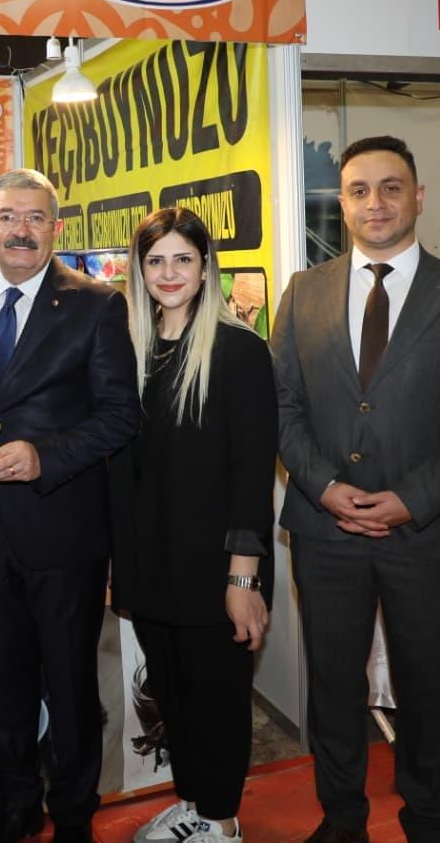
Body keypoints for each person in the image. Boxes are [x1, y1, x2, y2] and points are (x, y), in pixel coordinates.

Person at [270, 135, 440, 843]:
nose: (376, 203)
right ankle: (342, 819)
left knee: (426, 688)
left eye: (391, 187)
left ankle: (427, 820)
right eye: (360, 190)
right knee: (333, 686)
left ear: (418, 197)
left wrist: (412, 499)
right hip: (324, 531)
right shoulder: (303, 291)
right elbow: (281, 406)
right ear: (342, 203)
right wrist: (323, 487)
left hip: (425, 532)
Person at [0, 168, 142, 843]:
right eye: (7, 217)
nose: (20, 230)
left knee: (69, 683)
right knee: (3, 682)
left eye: (34, 218)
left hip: (64, 528)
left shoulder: (96, 304)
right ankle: (17, 806)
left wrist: (46, 455)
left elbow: (121, 415)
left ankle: (75, 814)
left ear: (56, 228)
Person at [113, 207, 276, 843]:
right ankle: (195, 802)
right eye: (155, 261)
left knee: (217, 699)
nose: (169, 273)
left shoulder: (239, 351)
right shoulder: (131, 350)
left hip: (217, 568)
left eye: (183, 259)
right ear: (139, 270)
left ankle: (222, 819)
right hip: (150, 565)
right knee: (174, 696)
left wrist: (244, 577)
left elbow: (252, 473)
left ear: (206, 267)